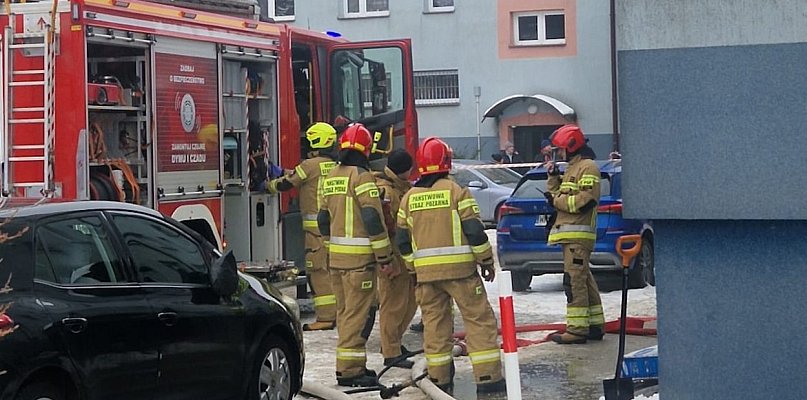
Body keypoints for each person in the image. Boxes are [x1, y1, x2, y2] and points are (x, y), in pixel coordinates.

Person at [396, 137, 506, 395]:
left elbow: (401, 240)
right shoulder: (456, 191)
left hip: (426, 277)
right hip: (462, 274)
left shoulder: (409, 198)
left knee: (435, 326)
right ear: (446, 162)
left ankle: (438, 378)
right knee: (478, 322)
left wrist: (414, 267)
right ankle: (487, 377)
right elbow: (475, 232)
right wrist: (486, 261)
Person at [317, 123, 396, 387]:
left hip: (336, 260)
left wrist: (330, 247)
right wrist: (384, 255)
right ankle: (350, 370)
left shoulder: (331, 177)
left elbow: (322, 220)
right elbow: (372, 217)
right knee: (358, 316)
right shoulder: (362, 177)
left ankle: (354, 365)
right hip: (360, 261)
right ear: (366, 148)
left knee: (345, 314)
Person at [267, 122, 338, 331]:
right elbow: (303, 175)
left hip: (315, 230)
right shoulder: (334, 165)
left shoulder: (309, 164)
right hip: (334, 228)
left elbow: (288, 184)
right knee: (332, 271)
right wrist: (284, 171)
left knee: (318, 272)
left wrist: (268, 185)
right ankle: (337, 314)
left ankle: (326, 317)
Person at [542, 124, 604, 344]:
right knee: (584, 279)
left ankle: (577, 330)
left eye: (560, 150)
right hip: (571, 237)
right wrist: (553, 177)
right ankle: (595, 325)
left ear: (572, 146)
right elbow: (556, 193)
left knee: (574, 281)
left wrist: (556, 201)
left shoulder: (588, 168)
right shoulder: (572, 168)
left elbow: (584, 202)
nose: (559, 154)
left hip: (578, 237)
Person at [373, 149, 418, 369]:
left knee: (409, 302)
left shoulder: (403, 188)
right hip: (392, 255)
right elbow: (387, 225)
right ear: (405, 169)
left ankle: (394, 344)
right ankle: (390, 352)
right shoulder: (386, 190)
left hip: (404, 254)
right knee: (393, 305)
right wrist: (386, 259)